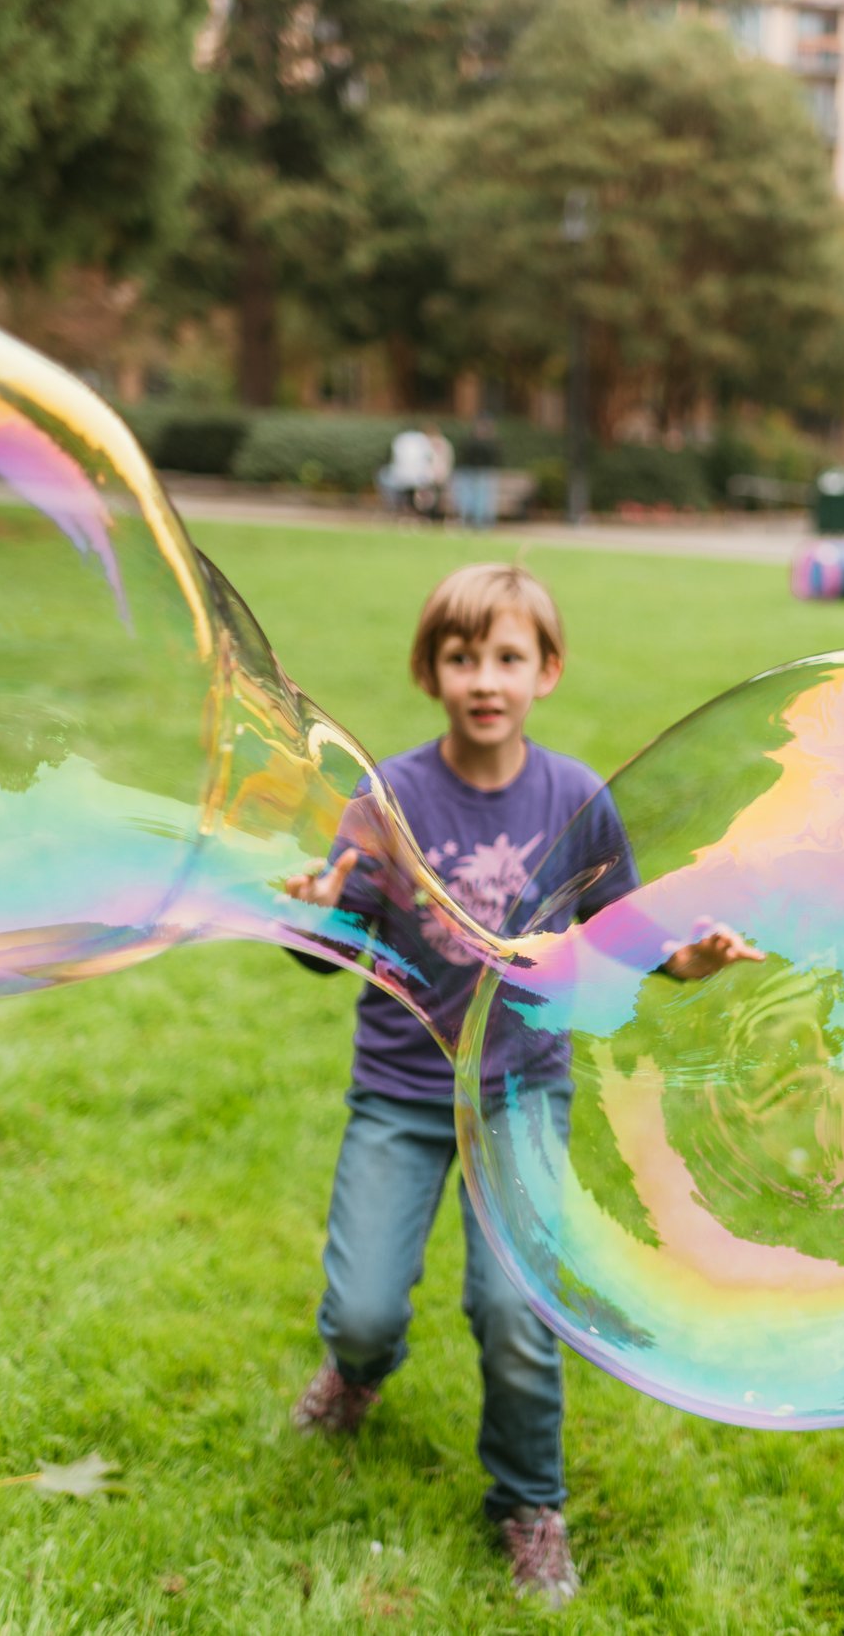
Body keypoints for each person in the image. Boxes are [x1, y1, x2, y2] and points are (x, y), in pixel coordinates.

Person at [279, 564, 760, 1606]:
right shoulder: (389, 798)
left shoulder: (575, 799)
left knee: (513, 1310)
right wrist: (314, 914)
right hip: (401, 1092)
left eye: (507, 657)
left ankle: (530, 1504)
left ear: (547, 670)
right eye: (462, 658)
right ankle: (357, 1371)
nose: (485, 679)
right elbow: (335, 949)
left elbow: (622, 933)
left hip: (519, 1093)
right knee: (361, 1309)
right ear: (430, 672)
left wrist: (689, 959)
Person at [454, 414, 503, 531]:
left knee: (483, 498)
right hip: (469, 471)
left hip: (484, 472)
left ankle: (480, 522)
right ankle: (468, 520)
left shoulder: (491, 441)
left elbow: (495, 457)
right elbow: (464, 454)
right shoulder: (471, 440)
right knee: (468, 498)